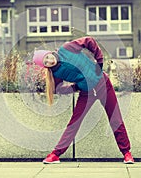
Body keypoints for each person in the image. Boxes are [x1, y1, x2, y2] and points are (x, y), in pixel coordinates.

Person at [32, 36, 134, 164]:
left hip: (103, 85)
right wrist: (76, 87)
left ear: (49, 53)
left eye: (47, 57)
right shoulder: (55, 73)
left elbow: (89, 41)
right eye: (45, 63)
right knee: (74, 123)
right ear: (45, 66)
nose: (49, 61)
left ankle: (127, 153)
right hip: (86, 94)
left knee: (115, 118)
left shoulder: (66, 49)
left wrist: (100, 61)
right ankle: (55, 154)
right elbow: (58, 89)